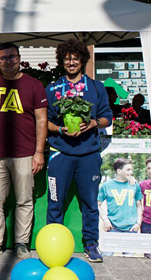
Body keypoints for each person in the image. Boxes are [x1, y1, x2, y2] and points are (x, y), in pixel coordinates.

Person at [44, 39, 113, 263]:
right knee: (55, 202)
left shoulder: (96, 87)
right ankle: (53, 246)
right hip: (60, 153)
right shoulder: (53, 88)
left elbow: (107, 117)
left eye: (75, 58)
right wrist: (60, 129)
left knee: (90, 203)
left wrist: (93, 123)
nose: (71, 62)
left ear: (83, 60)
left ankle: (91, 244)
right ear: (62, 61)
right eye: (67, 58)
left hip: (88, 155)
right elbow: (44, 121)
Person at [0, 42, 48, 261]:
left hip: (24, 153)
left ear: (19, 58)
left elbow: (41, 119)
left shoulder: (34, 85)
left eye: (12, 57)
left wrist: (39, 152)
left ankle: (21, 243)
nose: (8, 61)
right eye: (3, 58)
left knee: (24, 200)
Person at [98, 158, 143, 233]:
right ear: (119, 171)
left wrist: (138, 223)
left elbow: (139, 206)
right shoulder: (106, 185)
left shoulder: (135, 185)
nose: (131, 172)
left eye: (131, 170)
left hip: (132, 229)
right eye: (128, 170)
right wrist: (104, 219)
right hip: (113, 228)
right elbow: (97, 204)